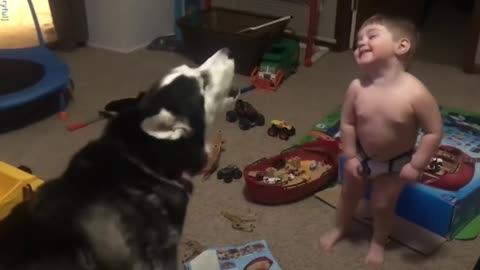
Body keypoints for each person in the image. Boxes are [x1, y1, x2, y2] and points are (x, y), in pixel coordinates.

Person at [320, 14, 444, 267]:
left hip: (396, 163)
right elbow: (347, 123)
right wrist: (351, 155)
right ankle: (341, 228)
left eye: (371, 36)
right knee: (348, 195)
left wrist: (417, 165)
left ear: (402, 46)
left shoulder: (416, 93)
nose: (361, 42)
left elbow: (434, 131)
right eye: (358, 40)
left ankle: (378, 241)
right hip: (362, 155)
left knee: (381, 204)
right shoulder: (356, 87)